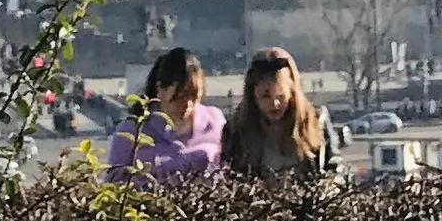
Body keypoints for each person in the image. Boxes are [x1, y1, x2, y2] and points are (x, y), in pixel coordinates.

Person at [104, 46, 223, 184]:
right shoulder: (131, 131)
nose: (188, 104)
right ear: (160, 89)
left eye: (194, 96)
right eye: (180, 96)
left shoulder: (215, 122)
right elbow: (114, 182)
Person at [221, 45, 332, 181]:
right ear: (252, 96)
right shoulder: (236, 131)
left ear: (292, 92)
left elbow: (334, 168)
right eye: (265, 96)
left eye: (281, 96)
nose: (275, 104)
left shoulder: (316, 122)